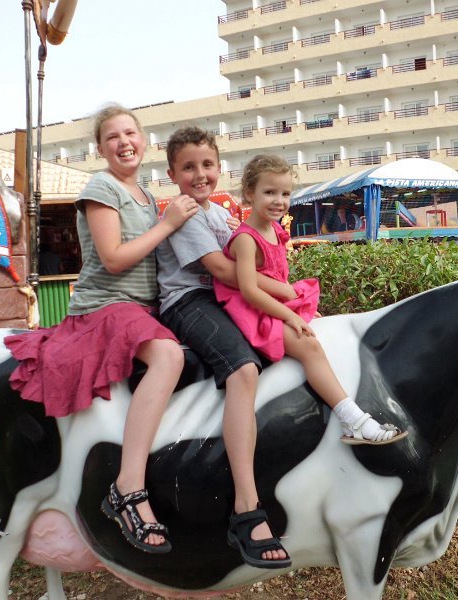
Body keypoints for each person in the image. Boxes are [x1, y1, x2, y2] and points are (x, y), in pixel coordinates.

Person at [3, 104, 198, 554]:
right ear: (100, 148)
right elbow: (113, 257)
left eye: (130, 132)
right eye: (113, 137)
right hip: (109, 306)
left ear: (144, 140)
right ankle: (128, 486)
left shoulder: (147, 196)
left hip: (146, 308)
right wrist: (169, 224)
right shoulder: (101, 187)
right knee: (168, 356)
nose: (124, 142)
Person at [155, 127, 294, 568]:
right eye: (189, 167)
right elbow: (223, 271)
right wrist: (285, 292)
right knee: (243, 370)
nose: (200, 174)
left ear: (220, 167)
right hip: (189, 300)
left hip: (220, 297)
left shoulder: (217, 214)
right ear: (173, 173)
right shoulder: (185, 214)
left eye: (207, 165)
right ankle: (246, 507)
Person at [214, 155, 407, 447]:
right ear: (249, 193)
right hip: (251, 309)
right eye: (269, 192)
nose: (279, 201)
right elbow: (249, 290)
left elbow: (278, 276)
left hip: (271, 301)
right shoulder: (246, 239)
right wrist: (290, 316)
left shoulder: (275, 228)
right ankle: (353, 420)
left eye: (285, 193)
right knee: (309, 345)